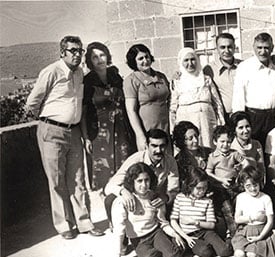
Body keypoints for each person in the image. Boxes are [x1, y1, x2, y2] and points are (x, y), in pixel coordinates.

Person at [25, 35, 103, 239]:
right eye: (73, 51)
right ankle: (64, 226)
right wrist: (48, 121)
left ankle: (85, 223)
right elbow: (32, 103)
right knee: (57, 181)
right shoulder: (51, 71)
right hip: (52, 131)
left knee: (78, 179)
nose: (78, 55)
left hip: (74, 131)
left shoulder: (79, 74)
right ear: (62, 53)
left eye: (80, 51)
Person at [81, 42, 136, 191]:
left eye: (102, 55)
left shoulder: (115, 76)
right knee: (103, 175)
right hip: (99, 135)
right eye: (94, 57)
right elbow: (83, 112)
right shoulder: (87, 82)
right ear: (90, 61)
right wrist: (86, 138)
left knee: (125, 172)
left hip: (122, 132)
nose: (99, 60)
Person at [109, 162, 184, 257]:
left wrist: (174, 234)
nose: (144, 185)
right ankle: (160, 249)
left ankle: (172, 246)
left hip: (155, 232)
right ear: (132, 182)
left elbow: (162, 222)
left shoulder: (153, 197)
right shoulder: (123, 201)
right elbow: (119, 230)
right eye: (139, 181)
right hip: (138, 239)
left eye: (146, 180)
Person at [104, 129, 179, 221]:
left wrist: (166, 197)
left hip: (154, 199)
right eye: (154, 146)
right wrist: (123, 191)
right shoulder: (135, 159)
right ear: (147, 146)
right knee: (110, 200)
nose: (158, 150)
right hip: (133, 200)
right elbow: (109, 187)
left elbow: (174, 189)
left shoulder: (170, 161)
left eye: (162, 146)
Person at [232, 32, 275, 148]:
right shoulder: (244, 67)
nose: (263, 52)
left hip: (274, 117)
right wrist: (240, 122)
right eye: (259, 48)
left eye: (266, 48)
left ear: (272, 48)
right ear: (253, 47)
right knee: (255, 151)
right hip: (254, 118)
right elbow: (238, 97)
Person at [170, 167, 233, 257]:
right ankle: (201, 246)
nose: (202, 191)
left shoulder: (207, 201)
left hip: (205, 232)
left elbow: (211, 225)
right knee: (205, 252)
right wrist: (186, 237)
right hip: (188, 234)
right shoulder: (180, 198)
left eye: (205, 188)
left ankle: (227, 239)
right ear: (190, 185)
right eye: (199, 188)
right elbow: (173, 220)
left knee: (225, 251)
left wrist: (195, 222)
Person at [171, 47, 225, 148]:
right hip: (186, 119)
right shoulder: (177, 82)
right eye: (186, 60)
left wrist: (221, 123)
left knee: (208, 147)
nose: (190, 63)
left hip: (207, 122)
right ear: (181, 62)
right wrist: (173, 128)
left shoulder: (206, 79)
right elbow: (173, 107)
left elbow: (217, 103)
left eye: (193, 59)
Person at [123, 44, 171, 151]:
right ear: (134, 62)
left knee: (167, 160)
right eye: (140, 58)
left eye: (147, 56)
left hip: (165, 127)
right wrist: (140, 135)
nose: (145, 60)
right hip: (147, 128)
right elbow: (131, 110)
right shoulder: (131, 80)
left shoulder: (161, 77)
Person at [206, 125, 249, 238]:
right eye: (222, 141)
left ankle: (245, 231)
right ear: (215, 141)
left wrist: (241, 168)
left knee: (241, 207)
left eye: (229, 142)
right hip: (221, 189)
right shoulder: (213, 157)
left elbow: (246, 163)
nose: (226, 145)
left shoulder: (234, 153)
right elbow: (208, 172)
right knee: (228, 210)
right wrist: (220, 180)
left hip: (234, 186)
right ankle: (236, 236)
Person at [231, 165, 275, 257]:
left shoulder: (265, 198)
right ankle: (246, 249)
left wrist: (260, 237)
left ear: (260, 183)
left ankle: (255, 249)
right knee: (239, 255)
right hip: (245, 231)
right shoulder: (241, 197)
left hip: (261, 231)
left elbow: (270, 222)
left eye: (255, 185)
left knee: (252, 256)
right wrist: (253, 218)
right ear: (243, 185)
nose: (253, 189)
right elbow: (237, 219)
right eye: (248, 186)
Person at [203, 33, 241, 121]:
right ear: (217, 49)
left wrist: (273, 59)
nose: (226, 51)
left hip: (243, 115)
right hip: (224, 117)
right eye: (222, 47)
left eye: (230, 47)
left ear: (234, 47)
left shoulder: (243, 66)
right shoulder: (209, 69)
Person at [229, 111, 265, 179]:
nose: (245, 131)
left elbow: (261, 169)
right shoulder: (230, 146)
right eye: (241, 128)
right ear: (234, 130)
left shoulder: (256, 144)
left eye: (247, 126)